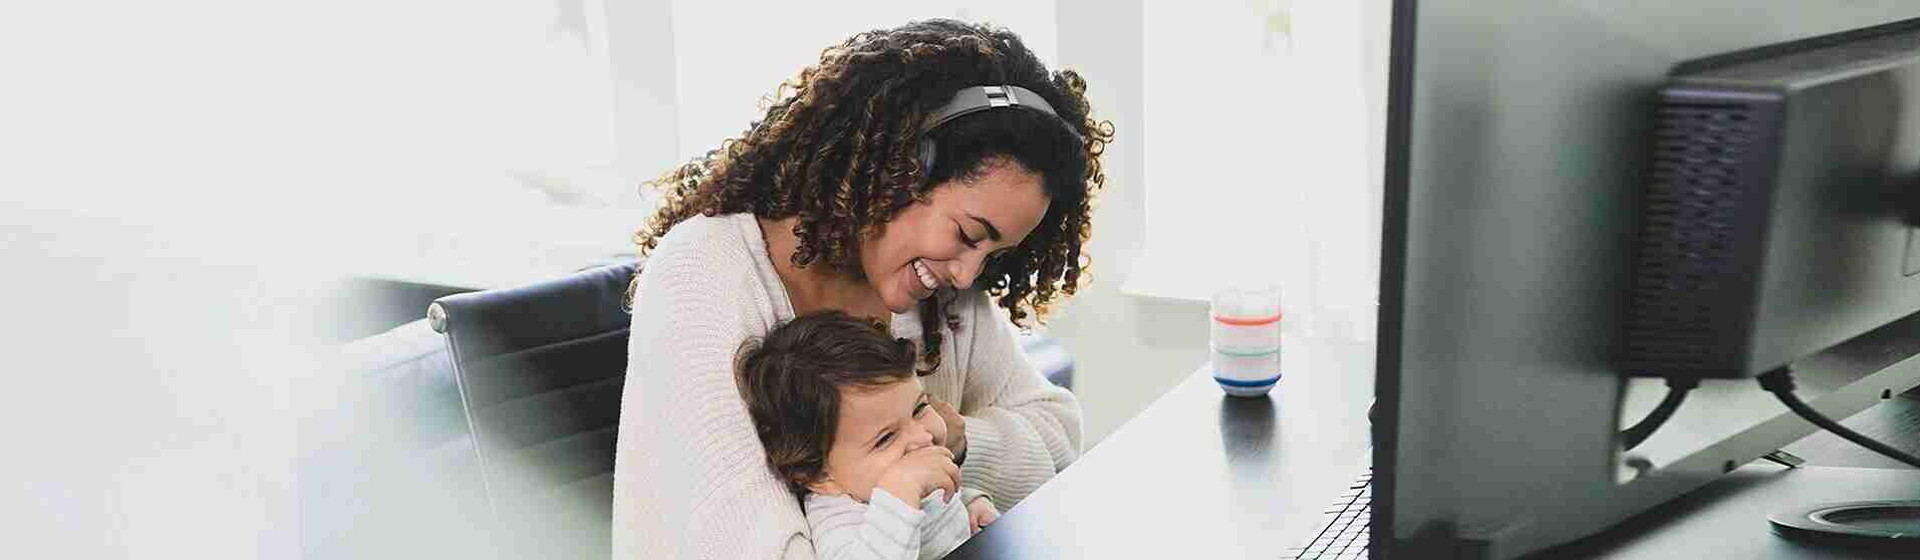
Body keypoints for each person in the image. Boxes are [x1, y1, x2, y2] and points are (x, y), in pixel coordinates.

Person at [611, 18, 1114, 558]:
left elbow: (1059, 440)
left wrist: (950, 440)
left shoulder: (940, 293)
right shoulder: (706, 274)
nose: (969, 275)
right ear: (900, 166)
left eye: (995, 254)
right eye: (968, 234)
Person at [737, 311, 999, 559]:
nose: (922, 437)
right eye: (885, 438)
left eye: (919, 408)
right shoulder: (839, 521)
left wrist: (971, 506)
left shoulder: (901, 475)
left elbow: (938, 508)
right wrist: (902, 490)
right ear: (818, 475)